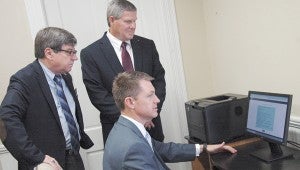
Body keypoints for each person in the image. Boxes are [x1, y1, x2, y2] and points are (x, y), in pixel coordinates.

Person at [0, 27, 94, 170]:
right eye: (70, 52)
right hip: (46, 162)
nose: (75, 57)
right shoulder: (25, 80)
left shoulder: (65, 76)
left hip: (73, 155)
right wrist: (37, 157)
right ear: (49, 53)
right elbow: (6, 118)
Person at [103, 71, 237, 169]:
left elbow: (162, 149)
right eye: (150, 96)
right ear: (130, 102)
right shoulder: (132, 146)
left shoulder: (126, 129)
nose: (157, 100)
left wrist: (204, 148)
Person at [80, 0, 166, 144]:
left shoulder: (147, 45)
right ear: (112, 20)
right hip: (117, 128)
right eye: (128, 21)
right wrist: (135, 119)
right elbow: (97, 94)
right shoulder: (91, 54)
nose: (133, 26)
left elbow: (159, 81)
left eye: (135, 21)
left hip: (151, 127)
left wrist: (149, 115)